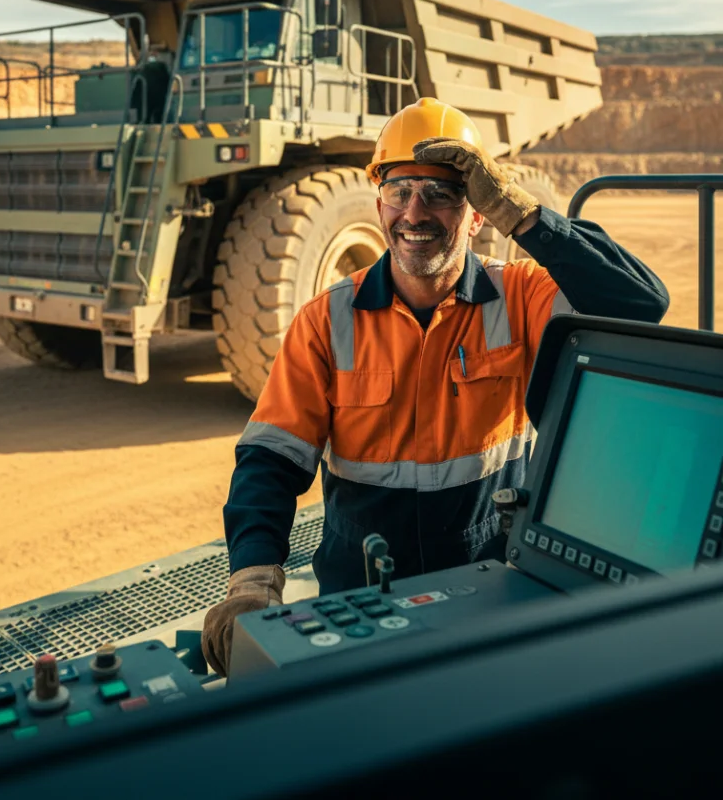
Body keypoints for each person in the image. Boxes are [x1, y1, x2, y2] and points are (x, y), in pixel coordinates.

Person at [202, 97, 669, 675]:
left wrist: (523, 215)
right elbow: (270, 460)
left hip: (489, 590)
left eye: (442, 193)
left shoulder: (521, 298)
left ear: (478, 214)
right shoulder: (327, 321)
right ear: (379, 204)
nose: (415, 213)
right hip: (358, 600)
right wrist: (252, 580)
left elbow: (641, 305)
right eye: (400, 191)